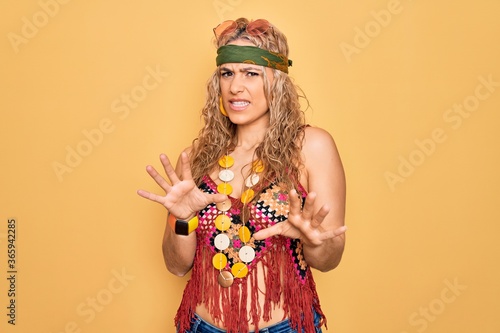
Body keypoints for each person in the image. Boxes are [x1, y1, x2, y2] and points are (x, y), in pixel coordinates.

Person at [137, 17, 347, 333]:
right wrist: (180, 219)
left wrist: (313, 241)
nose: (235, 86)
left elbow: (329, 259)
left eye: (251, 73)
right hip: (203, 326)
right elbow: (176, 265)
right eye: (227, 73)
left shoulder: (311, 146)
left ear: (276, 81)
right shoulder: (198, 157)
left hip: (284, 326)